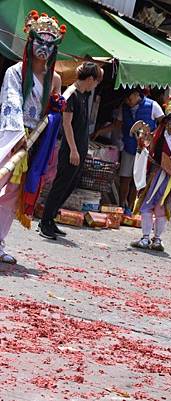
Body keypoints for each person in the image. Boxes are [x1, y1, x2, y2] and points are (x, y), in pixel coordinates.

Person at [0, 11, 65, 264]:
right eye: (40, 41)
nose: (44, 48)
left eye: (50, 44)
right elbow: (12, 102)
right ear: (30, 41)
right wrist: (18, 135)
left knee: (13, 195)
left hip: (37, 141)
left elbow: (53, 113)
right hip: (12, 136)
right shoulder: (16, 72)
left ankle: (1, 242)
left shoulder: (55, 78)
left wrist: (54, 114)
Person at [39, 62, 103, 239]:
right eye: (96, 80)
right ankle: (45, 221)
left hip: (81, 146)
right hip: (70, 148)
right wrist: (73, 150)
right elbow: (66, 124)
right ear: (90, 79)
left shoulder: (85, 94)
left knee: (70, 185)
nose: (96, 84)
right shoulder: (71, 94)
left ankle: (51, 218)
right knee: (61, 185)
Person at [130, 93, 171, 252]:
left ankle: (158, 239)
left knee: (161, 209)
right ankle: (145, 238)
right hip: (154, 175)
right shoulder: (157, 135)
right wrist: (141, 146)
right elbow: (146, 149)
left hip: (168, 180)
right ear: (166, 121)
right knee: (146, 205)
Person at [94, 87, 164, 213]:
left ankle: (131, 207)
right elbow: (117, 124)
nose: (127, 101)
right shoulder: (124, 107)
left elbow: (163, 123)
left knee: (138, 179)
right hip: (129, 146)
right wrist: (99, 131)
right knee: (124, 177)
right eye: (125, 98)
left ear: (137, 94)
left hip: (145, 150)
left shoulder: (153, 105)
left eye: (129, 98)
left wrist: (153, 136)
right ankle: (121, 205)